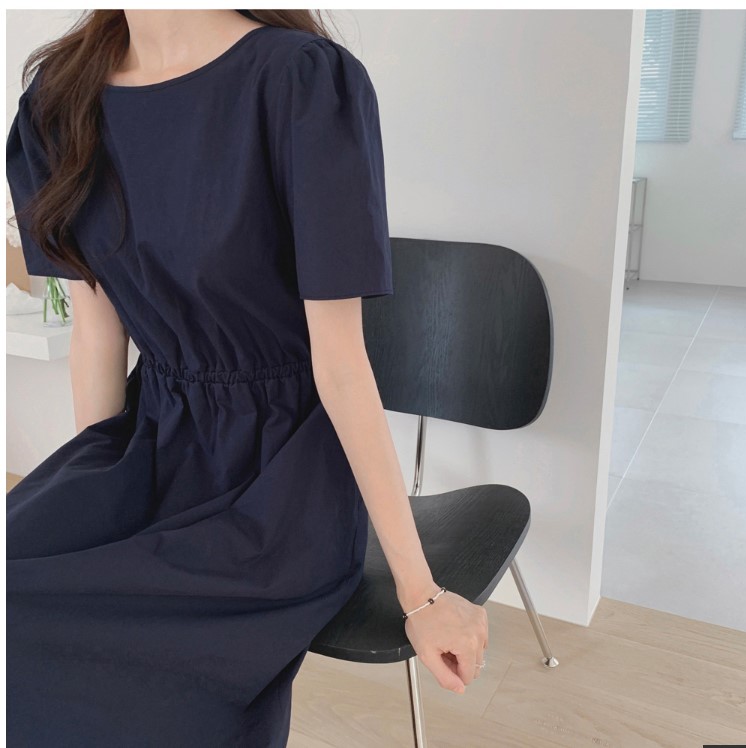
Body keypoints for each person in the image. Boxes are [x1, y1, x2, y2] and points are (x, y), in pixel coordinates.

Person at [6, 9, 488, 746]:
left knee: (162, 694)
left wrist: (421, 595)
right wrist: (101, 497)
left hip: (284, 476)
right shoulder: (57, 99)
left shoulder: (301, 82)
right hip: (152, 442)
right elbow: (98, 331)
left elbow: (340, 363)